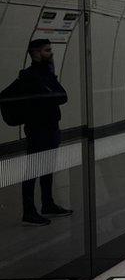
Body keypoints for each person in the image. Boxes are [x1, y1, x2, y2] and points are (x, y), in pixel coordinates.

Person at [14, 39, 73, 226]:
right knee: (33, 169)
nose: (51, 53)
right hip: (38, 129)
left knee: (47, 168)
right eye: (47, 50)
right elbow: (57, 96)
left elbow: (62, 96)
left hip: (50, 127)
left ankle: (47, 203)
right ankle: (29, 211)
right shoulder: (30, 76)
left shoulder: (47, 73)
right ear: (36, 53)